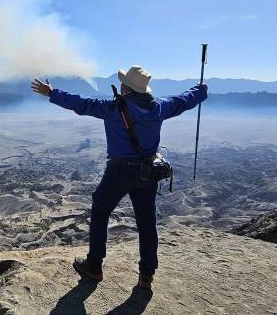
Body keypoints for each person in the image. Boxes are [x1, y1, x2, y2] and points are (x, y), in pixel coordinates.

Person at [30, 65, 208, 290]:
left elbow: (81, 104)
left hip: (119, 171)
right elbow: (184, 100)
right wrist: (201, 90)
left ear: (126, 88)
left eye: (123, 82)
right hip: (148, 172)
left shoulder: (113, 108)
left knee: (101, 210)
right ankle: (146, 276)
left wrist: (52, 93)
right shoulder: (160, 108)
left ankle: (94, 266)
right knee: (146, 222)